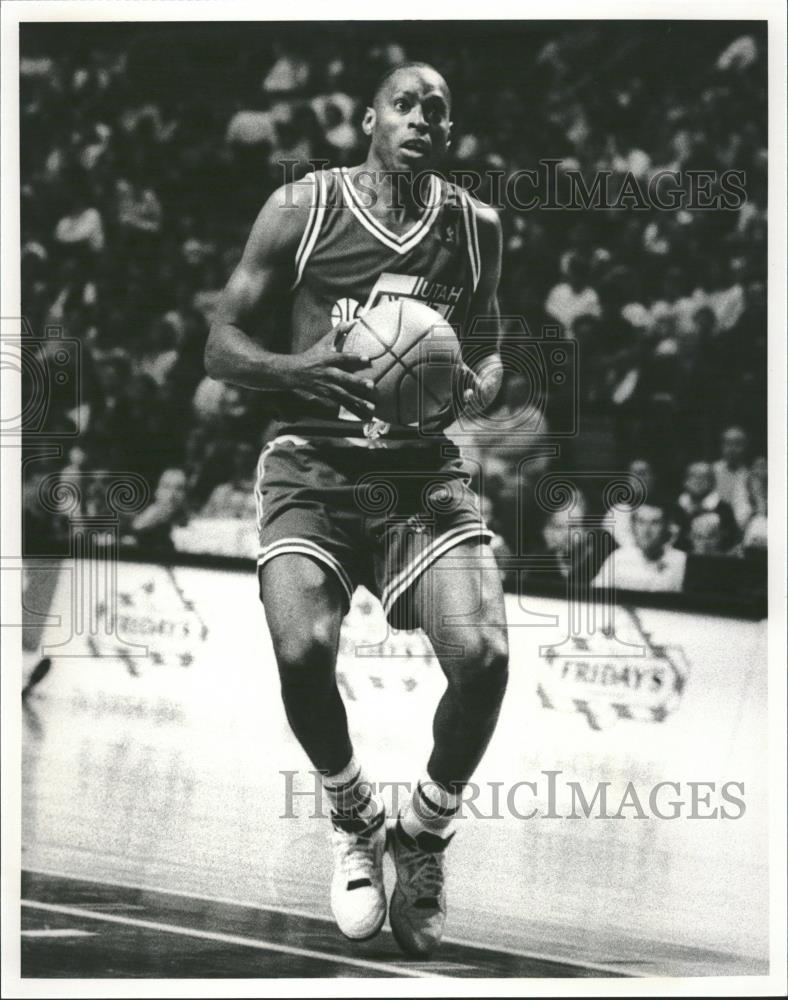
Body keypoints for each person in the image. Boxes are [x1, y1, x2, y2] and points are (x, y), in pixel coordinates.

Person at [205, 62, 508, 956]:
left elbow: (490, 347)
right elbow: (220, 346)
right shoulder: (301, 209)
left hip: (421, 473)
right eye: (404, 104)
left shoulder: (478, 227)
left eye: (437, 110)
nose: (420, 119)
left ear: (449, 134)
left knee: (486, 656)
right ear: (370, 120)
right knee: (301, 650)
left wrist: (470, 390)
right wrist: (298, 370)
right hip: (313, 463)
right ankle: (352, 815)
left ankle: (424, 832)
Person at [592, 500, 686, 593]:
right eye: (641, 522)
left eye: (655, 523)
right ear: (633, 526)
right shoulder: (618, 558)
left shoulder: (680, 561)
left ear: (666, 527)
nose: (646, 530)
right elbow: (596, 596)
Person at [675, 461, 740, 552]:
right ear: (685, 481)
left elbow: (730, 541)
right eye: (693, 476)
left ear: (712, 483)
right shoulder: (675, 507)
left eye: (704, 477)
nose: (698, 481)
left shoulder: (724, 509)